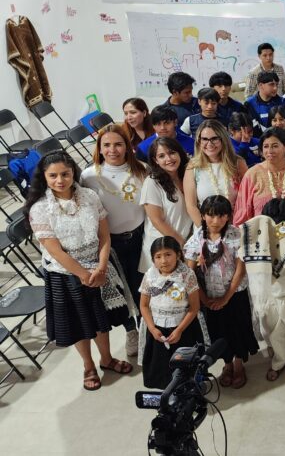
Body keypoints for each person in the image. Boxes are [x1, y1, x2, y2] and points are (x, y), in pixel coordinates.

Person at [26, 152, 135, 391]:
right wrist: (84, 275)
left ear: (73, 172)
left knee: (100, 319)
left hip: (98, 266)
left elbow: (104, 235)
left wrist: (102, 267)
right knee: (80, 323)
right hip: (66, 273)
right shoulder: (40, 208)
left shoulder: (89, 196)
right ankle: (88, 365)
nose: (60, 180)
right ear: (44, 177)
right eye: (52, 176)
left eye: (64, 174)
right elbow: (56, 252)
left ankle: (106, 359)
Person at [81, 124, 148, 356]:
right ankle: (131, 330)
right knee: (122, 289)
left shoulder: (142, 170)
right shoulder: (89, 176)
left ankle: (148, 328)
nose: (112, 150)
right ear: (99, 148)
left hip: (140, 237)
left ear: (127, 146)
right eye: (106, 145)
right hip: (110, 242)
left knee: (141, 284)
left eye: (118, 144)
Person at [183, 196, 256, 389]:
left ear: (228, 216)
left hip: (234, 293)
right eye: (211, 215)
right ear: (204, 215)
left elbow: (240, 269)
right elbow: (190, 270)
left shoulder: (237, 234)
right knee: (219, 331)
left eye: (222, 216)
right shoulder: (198, 236)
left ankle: (239, 365)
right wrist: (203, 298)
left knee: (238, 328)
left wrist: (227, 297)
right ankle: (228, 364)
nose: (216, 221)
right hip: (209, 295)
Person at [239, 199, 285, 383]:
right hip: (270, 291)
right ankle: (279, 360)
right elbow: (243, 254)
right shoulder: (258, 232)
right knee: (275, 329)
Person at [138, 237, 202, 389]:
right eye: (158, 257)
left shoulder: (187, 275)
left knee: (184, 367)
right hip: (157, 330)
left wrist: (179, 330)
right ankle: (166, 397)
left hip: (183, 328)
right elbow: (144, 305)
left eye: (168, 254)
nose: (164, 261)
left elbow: (194, 307)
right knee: (159, 367)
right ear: (153, 259)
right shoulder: (150, 276)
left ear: (178, 255)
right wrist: (152, 329)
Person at [234, 128, 285, 226]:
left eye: (275, 146)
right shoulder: (252, 174)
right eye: (266, 146)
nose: (270, 151)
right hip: (261, 237)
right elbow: (242, 214)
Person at [139, 138, 193, 273]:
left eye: (172, 153)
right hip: (162, 248)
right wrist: (181, 244)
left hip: (185, 246)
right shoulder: (152, 183)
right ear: (155, 160)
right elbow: (157, 221)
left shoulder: (187, 176)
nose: (168, 158)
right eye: (162, 156)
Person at [183, 120, 248, 227]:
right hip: (205, 230)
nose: (209, 144)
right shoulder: (193, 167)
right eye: (204, 139)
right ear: (199, 141)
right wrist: (207, 231)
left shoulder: (238, 163)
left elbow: (247, 199)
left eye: (214, 138)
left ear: (223, 139)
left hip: (236, 226)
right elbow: (191, 206)